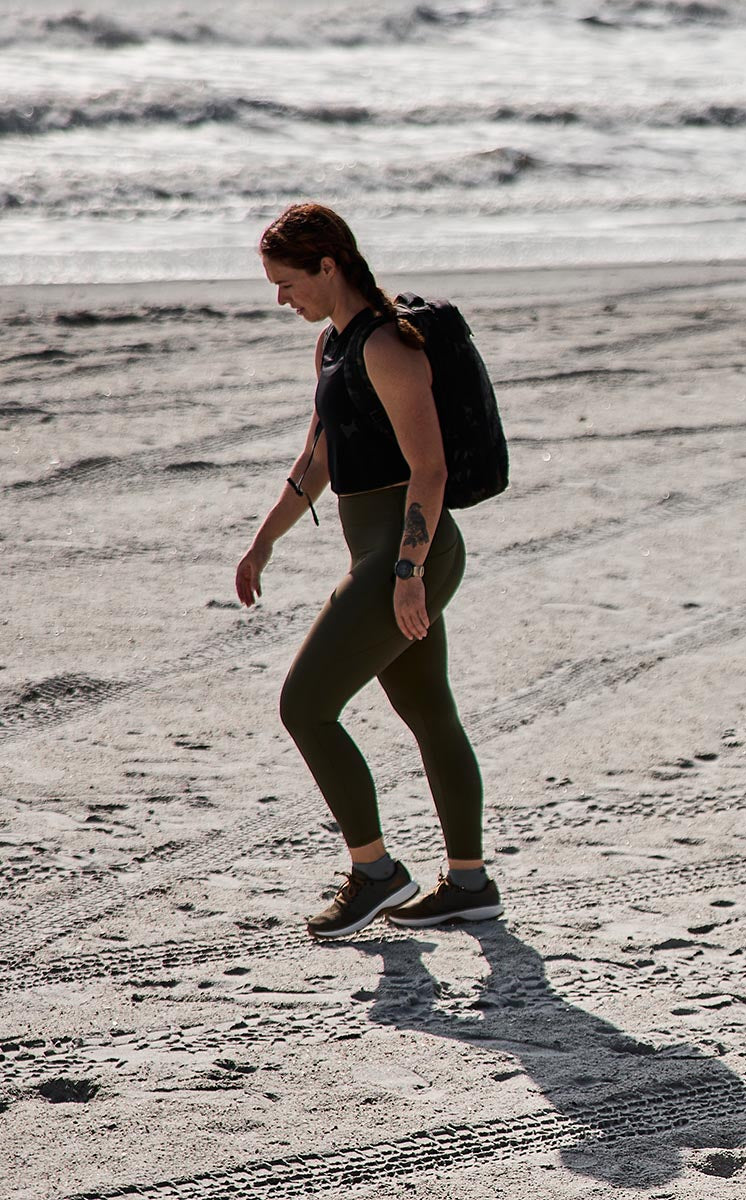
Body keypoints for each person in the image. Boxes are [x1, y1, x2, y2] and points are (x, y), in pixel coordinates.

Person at [235, 202, 503, 938]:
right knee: (428, 711)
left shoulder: (390, 345)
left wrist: (409, 570)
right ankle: (469, 884)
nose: (280, 299)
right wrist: (264, 542)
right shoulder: (331, 346)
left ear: (329, 265)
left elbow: (430, 468)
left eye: (287, 282)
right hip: (382, 554)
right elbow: (318, 457)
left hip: (406, 554)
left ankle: (375, 873)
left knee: (305, 705)